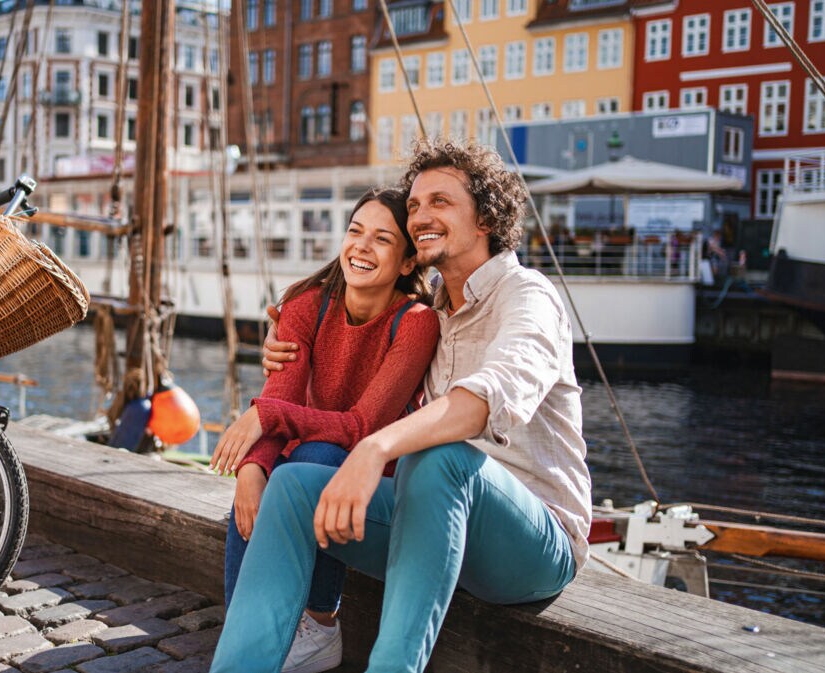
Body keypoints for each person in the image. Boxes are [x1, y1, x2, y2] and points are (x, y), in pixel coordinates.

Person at [211, 139, 592, 673]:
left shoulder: (527, 296)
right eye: (413, 206)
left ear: (485, 215)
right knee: (295, 485)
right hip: (432, 527)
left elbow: (487, 398)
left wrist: (374, 446)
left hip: (534, 546)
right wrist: (285, 356)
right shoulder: (431, 314)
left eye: (440, 202)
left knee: (440, 457)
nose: (420, 216)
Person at [209, 187, 440, 673]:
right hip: (304, 465)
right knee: (276, 473)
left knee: (318, 456)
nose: (361, 246)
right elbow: (283, 396)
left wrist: (266, 417)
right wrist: (253, 468)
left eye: (382, 239)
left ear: (404, 262)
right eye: (355, 232)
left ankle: (317, 623)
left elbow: (360, 428)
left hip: (372, 480)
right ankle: (244, 640)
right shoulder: (304, 304)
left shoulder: (415, 323)